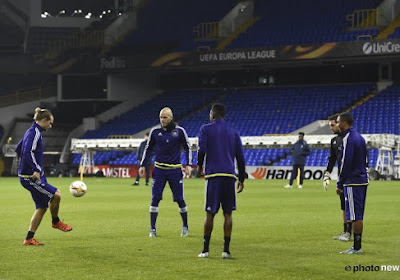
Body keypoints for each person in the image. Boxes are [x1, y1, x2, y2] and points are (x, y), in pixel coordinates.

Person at [15, 107, 72, 246]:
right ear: (44, 120)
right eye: (50, 123)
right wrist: (34, 169)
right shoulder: (34, 133)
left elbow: (18, 148)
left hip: (31, 175)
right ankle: (56, 222)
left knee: (42, 207)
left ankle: (29, 238)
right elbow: (27, 151)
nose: (50, 126)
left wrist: (24, 165)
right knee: (56, 195)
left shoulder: (31, 131)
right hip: (31, 177)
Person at [197, 103, 245, 259]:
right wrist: (242, 178)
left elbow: (201, 149)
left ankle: (205, 250)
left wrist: (199, 167)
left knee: (210, 213)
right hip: (229, 176)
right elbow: (240, 157)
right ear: (224, 115)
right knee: (228, 214)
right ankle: (226, 251)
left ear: (212, 114)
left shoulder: (206, 129)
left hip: (213, 176)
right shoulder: (234, 132)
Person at [139, 107, 192, 238]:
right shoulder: (155, 132)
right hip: (159, 170)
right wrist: (142, 165)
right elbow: (148, 148)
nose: (162, 120)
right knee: (155, 198)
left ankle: (185, 226)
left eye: (165, 117)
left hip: (175, 170)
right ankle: (152, 229)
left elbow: (188, 148)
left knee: (179, 199)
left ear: (171, 118)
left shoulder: (180, 131)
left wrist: (189, 165)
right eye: (161, 117)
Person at [337, 112, 368, 255]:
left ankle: (357, 248)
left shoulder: (348, 138)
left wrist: (340, 183)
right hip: (362, 180)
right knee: (358, 215)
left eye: (338, 122)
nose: (337, 125)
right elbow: (366, 159)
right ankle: (357, 246)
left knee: (355, 216)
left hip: (353, 181)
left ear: (344, 123)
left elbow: (345, 163)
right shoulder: (360, 138)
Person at [323, 115, 352, 242]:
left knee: (350, 205)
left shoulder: (350, 138)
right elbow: (332, 159)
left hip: (352, 178)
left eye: (333, 125)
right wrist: (327, 174)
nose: (331, 128)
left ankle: (350, 232)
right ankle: (345, 231)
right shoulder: (334, 140)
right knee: (343, 205)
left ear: (340, 124)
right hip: (341, 177)